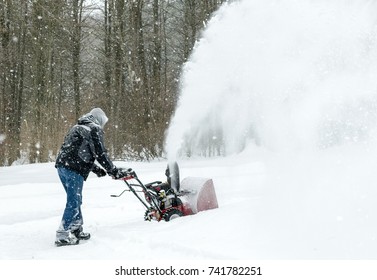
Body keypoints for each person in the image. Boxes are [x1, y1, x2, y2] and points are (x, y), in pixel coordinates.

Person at [55, 108, 124, 247]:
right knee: (74, 201)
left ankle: (76, 228)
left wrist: (96, 169)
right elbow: (100, 153)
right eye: (103, 121)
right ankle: (62, 235)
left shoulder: (77, 127)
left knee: (75, 199)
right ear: (98, 119)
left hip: (62, 166)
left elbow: (75, 151)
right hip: (73, 169)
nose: (102, 125)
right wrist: (113, 170)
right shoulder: (94, 128)